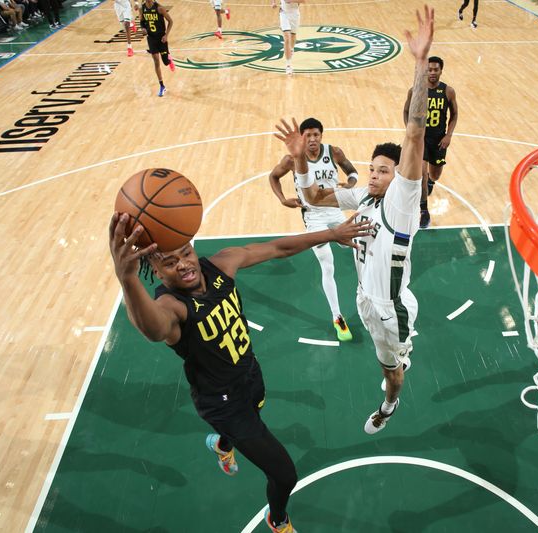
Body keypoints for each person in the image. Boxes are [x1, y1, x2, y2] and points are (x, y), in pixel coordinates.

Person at [108, 212, 371, 533]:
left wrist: (331, 234)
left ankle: (222, 445)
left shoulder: (220, 265)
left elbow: (278, 248)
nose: (183, 264)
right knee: (285, 474)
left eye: (186, 253)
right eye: (169, 263)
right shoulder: (172, 307)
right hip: (222, 404)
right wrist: (127, 279)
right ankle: (277, 519)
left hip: (249, 374)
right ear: (158, 273)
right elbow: (152, 329)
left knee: (258, 407)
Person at [274, 4, 435, 435]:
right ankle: (392, 370)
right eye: (374, 168)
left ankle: (390, 403)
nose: (376, 174)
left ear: (399, 175)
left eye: (385, 170)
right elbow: (311, 196)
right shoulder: (363, 194)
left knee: (393, 374)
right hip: (364, 296)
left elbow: (415, 132)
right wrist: (297, 161)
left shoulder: (402, 200)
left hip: (391, 308)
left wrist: (419, 65)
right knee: (381, 359)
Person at [268, 117, 360, 341]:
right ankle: (337, 317)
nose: (312, 139)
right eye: (307, 135)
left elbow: (352, 172)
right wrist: (282, 199)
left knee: (361, 246)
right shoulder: (292, 159)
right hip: (313, 218)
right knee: (327, 265)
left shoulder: (334, 152)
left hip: (335, 210)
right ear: (301, 137)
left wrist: (349, 185)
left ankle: (369, 295)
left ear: (321, 135)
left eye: (315, 134)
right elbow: (273, 177)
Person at [402, 55, 458, 229]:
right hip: (422, 139)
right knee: (423, 173)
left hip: (439, 139)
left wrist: (448, 135)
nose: (432, 72)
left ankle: (431, 182)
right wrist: (411, 132)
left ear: (441, 71)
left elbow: (454, 114)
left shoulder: (448, 91)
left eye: (435, 69)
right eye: (429, 69)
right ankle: (424, 211)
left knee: (434, 175)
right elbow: (405, 111)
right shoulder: (415, 91)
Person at [139, 0, 175, 97]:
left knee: (166, 63)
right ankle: (162, 86)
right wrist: (143, 28)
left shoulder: (160, 8)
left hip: (161, 39)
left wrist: (166, 35)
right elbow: (142, 22)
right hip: (151, 38)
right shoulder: (142, 9)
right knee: (156, 61)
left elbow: (170, 21)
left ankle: (169, 59)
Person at [271, 0, 303, 75]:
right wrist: (273, 2)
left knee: (293, 35)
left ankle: (291, 49)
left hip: (295, 14)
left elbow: (303, 1)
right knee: (287, 38)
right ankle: (288, 65)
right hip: (284, 13)